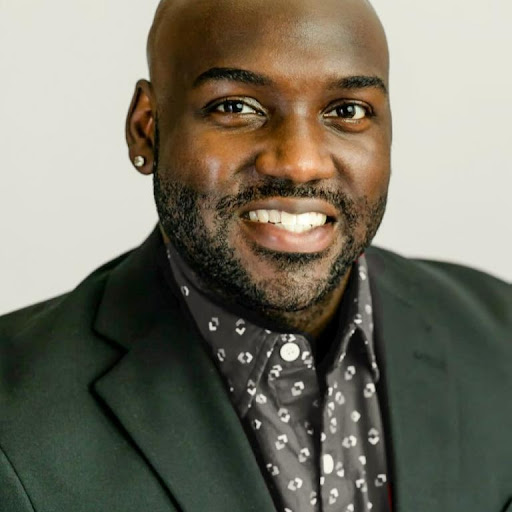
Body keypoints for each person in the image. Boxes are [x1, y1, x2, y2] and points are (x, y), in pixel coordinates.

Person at [0, 0, 510, 510]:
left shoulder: (501, 333)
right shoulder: (15, 420)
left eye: (347, 111)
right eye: (236, 107)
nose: (300, 163)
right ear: (147, 128)